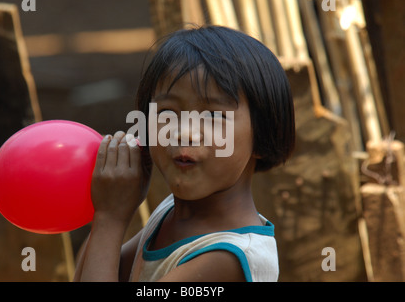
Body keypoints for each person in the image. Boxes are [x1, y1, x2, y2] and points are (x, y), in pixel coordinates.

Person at [73, 25, 295, 282]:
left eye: (212, 116)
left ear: (263, 133)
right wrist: (109, 211)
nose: (184, 132)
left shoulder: (229, 258)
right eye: (167, 113)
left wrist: (109, 218)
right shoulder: (172, 211)